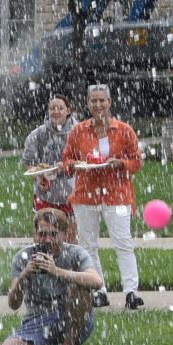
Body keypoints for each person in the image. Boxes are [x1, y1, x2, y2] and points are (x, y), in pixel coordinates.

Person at [61, 83, 144, 310]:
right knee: (88, 245)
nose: (98, 105)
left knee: (123, 242)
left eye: (102, 100)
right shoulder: (78, 131)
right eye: (93, 101)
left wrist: (122, 163)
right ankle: (98, 290)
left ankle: (131, 291)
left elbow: (137, 161)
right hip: (86, 194)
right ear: (88, 104)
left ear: (109, 103)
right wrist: (76, 165)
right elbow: (66, 160)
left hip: (117, 194)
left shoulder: (124, 130)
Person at [0, 207, 105, 345]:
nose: (47, 240)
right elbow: (13, 304)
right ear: (35, 235)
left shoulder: (75, 253)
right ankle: (47, 342)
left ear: (65, 234)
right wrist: (23, 276)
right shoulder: (22, 257)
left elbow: (96, 281)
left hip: (73, 320)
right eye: (42, 234)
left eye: (54, 234)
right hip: (38, 321)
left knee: (80, 287)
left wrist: (56, 271)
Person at [21, 94, 75, 215]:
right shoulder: (37, 134)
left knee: (71, 232)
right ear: (47, 111)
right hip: (46, 195)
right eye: (52, 108)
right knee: (44, 231)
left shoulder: (79, 131)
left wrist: (68, 165)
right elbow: (29, 163)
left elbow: (87, 161)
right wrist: (38, 178)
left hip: (74, 194)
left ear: (68, 110)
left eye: (60, 108)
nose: (56, 112)